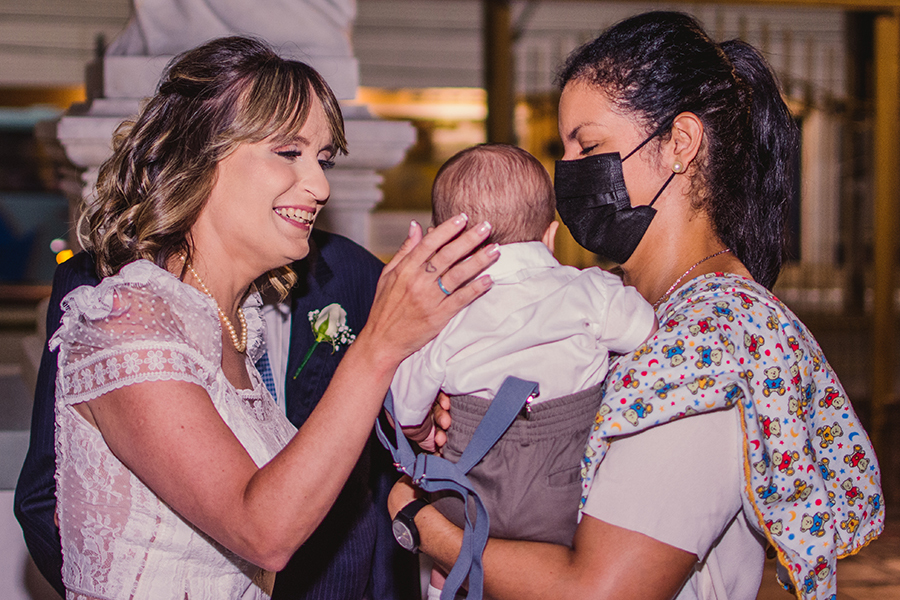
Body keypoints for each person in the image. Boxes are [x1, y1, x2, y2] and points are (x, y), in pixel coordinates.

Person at [388, 11, 884, 600]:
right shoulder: (614, 304)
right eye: (562, 148)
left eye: (589, 145)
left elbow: (601, 591)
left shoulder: (709, 339)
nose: (567, 172)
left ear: (680, 144)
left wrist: (420, 522)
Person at [17, 35, 498, 600]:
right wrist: (379, 347)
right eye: (288, 152)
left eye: (323, 160)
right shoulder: (127, 323)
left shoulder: (230, 325)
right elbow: (262, 531)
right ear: (199, 158)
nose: (320, 186)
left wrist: (403, 418)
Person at [15, 227, 421, 600]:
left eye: (322, 170)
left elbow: (384, 464)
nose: (318, 187)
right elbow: (46, 491)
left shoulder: (351, 271)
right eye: (290, 166)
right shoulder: (112, 296)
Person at [388, 143, 656, 599]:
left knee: (445, 561)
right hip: (561, 490)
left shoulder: (443, 314)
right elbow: (645, 331)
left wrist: (423, 430)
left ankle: (445, 586)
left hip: (469, 489)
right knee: (570, 555)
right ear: (550, 236)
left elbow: (405, 403)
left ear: (444, 241)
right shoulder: (589, 291)